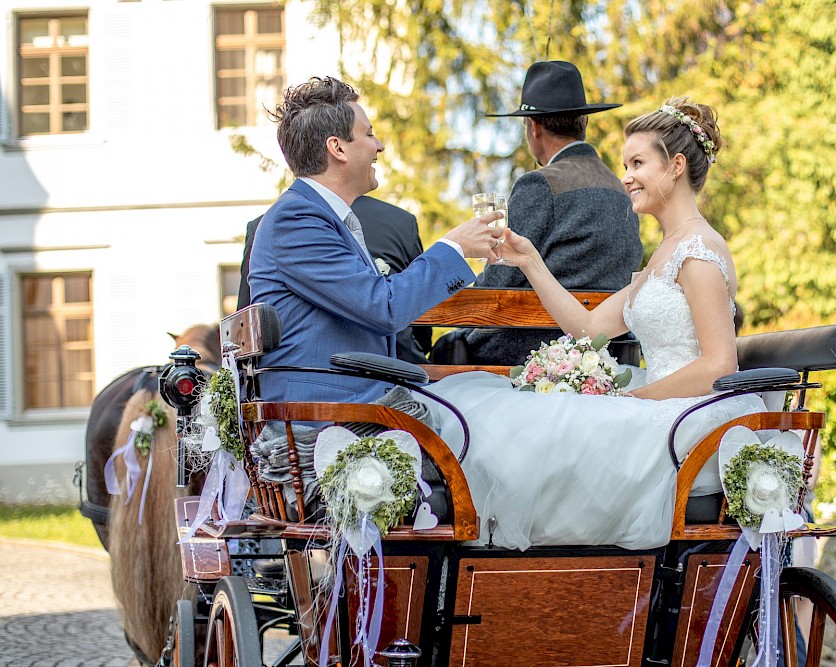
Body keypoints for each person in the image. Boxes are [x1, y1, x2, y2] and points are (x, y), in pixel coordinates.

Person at [421, 97, 767, 550]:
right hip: (658, 400)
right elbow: (588, 329)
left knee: (543, 429)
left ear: (676, 165)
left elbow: (719, 365)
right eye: (625, 163)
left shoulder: (698, 251)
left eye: (638, 163)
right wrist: (529, 261)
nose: (625, 176)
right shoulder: (667, 250)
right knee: (509, 410)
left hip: (684, 412)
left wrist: (632, 398)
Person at [247, 76, 504, 404]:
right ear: (337, 148)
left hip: (360, 400)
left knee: (488, 397)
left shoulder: (318, 215)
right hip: (329, 413)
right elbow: (383, 308)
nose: (379, 146)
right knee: (490, 406)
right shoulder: (296, 220)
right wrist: (455, 247)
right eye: (368, 134)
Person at [436, 60, 643, 366]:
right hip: (608, 352)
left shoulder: (539, 184)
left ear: (533, 127)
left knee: (443, 348)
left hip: (530, 346)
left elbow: (501, 276)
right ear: (583, 123)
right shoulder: (620, 188)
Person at [237, 195, 432, 363]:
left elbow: (246, 323)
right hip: (403, 365)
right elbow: (423, 334)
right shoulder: (401, 221)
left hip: (313, 371)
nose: (379, 149)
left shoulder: (263, 224)